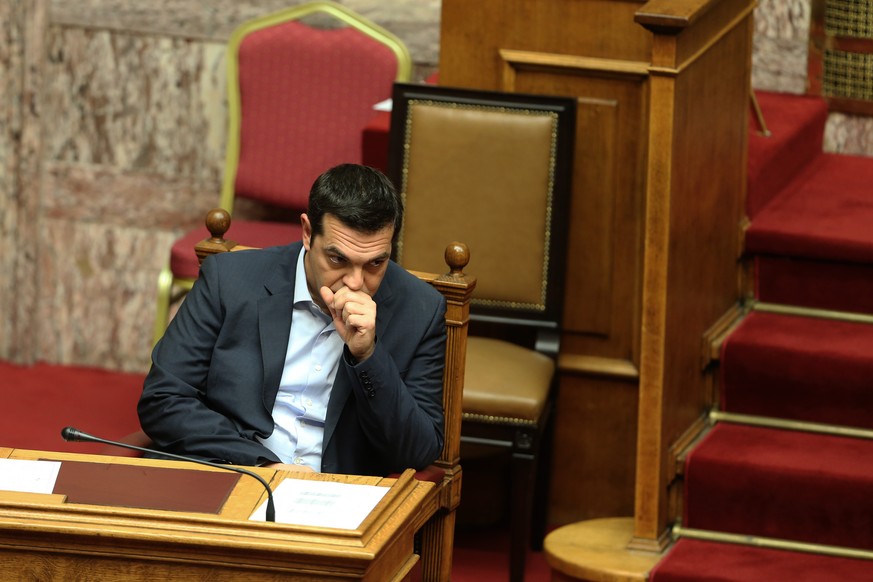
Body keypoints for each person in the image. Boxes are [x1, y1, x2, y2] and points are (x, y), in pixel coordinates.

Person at [138, 164, 446, 476]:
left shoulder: (419, 309)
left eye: (375, 263)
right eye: (338, 259)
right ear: (308, 233)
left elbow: (419, 450)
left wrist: (368, 356)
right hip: (234, 474)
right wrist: (264, 467)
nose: (355, 282)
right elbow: (164, 399)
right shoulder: (230, 281)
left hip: (338, 497)